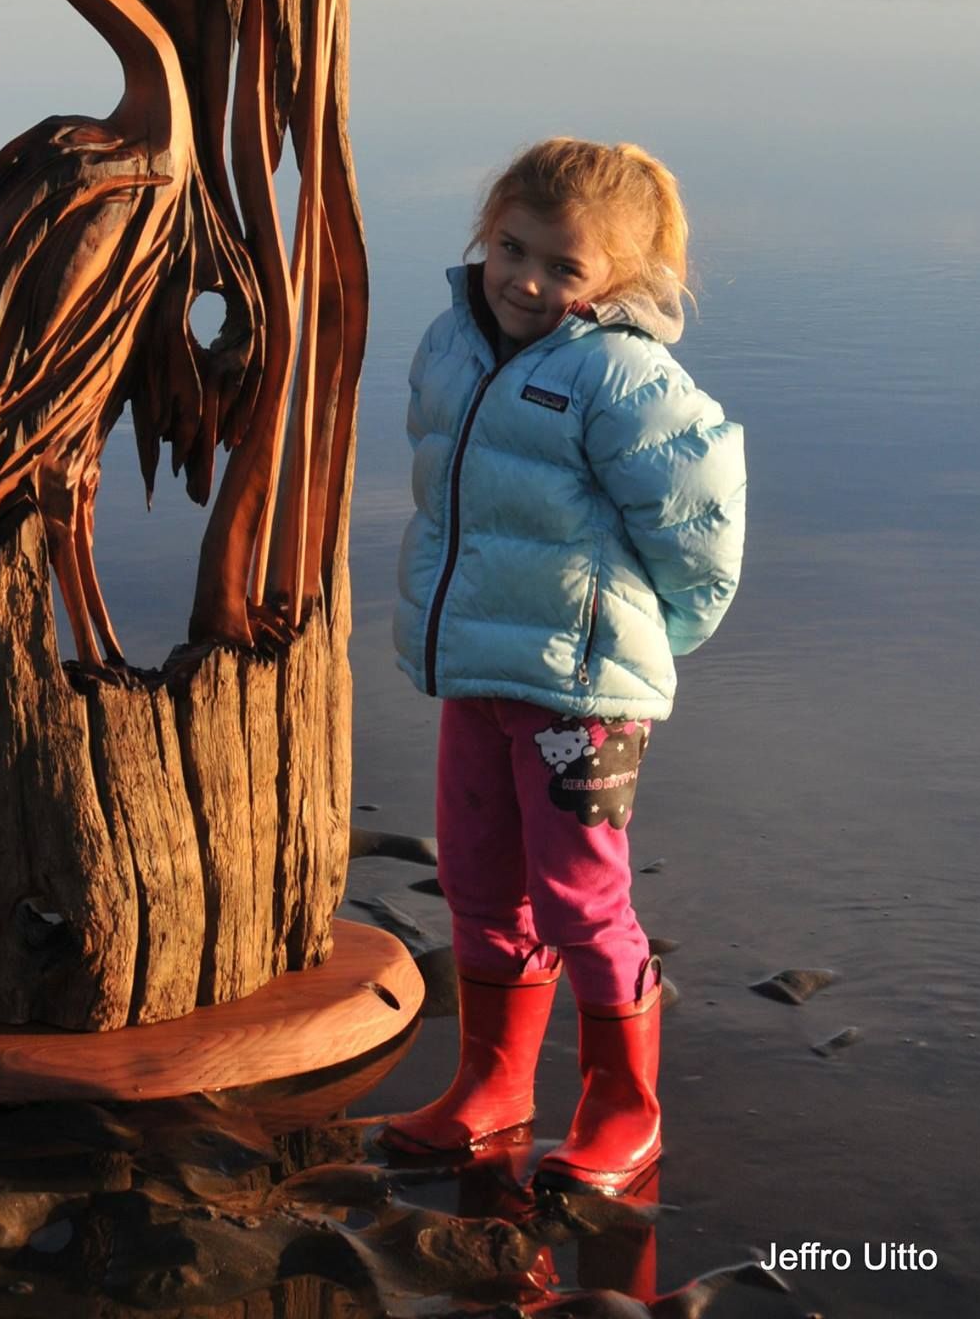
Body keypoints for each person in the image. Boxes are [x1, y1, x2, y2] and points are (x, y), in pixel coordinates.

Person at [384, 138, 746, 1192]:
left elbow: (700, 519)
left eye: (562, 266)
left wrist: (656, 639)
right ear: (484, 232)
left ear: (621, 281)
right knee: (479, 874)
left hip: (579, 695)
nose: (526, 279)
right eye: (510, 246)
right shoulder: (454, 342)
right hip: (478, 669)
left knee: (580, 896)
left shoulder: (623, 376)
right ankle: (492, 1085)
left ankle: (623, 1109)